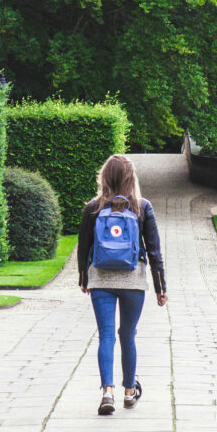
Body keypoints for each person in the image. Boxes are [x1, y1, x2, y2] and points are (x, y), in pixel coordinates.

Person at [77, 154, 168, 416]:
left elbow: (83, 248)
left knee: (105, 335)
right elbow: (154, 251)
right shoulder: (141, 207)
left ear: (104, 177)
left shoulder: (94, 207)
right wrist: (160, 286)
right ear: (131, 177)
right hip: (133, 280)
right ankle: (130, 391)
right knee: (127, 334)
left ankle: (108, 391)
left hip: (101, 278)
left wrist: (84, 279)